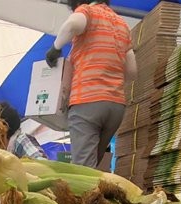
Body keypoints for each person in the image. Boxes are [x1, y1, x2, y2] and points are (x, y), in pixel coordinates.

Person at [46, 0, 136, 169]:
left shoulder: (88, 11)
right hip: (115, 107)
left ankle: (83, 196)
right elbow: (132, 71)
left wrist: (55, 48)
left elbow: (72, 24)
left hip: (87, 102)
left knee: (82, 169)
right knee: (92, 165)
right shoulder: (123, 25)